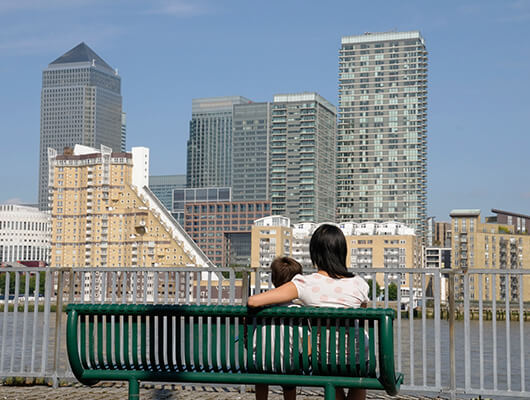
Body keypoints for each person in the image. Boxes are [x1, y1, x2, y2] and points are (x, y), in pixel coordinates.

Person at [248, 224, 369, 400]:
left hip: (325, 361)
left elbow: (254, 301)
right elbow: (362, 317)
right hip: (359, 358)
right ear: (343, 252)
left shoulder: (305, 284)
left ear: (315, 253)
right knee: (357, 366)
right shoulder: (360, 284)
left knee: (330, 365)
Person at [254, 256, 303, 400]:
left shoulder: (260, 307)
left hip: (260, 365)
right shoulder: (299, 310)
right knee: (290, 369)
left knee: (261, 371)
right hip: (288, 366)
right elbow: (305, 346)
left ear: (273, 280)